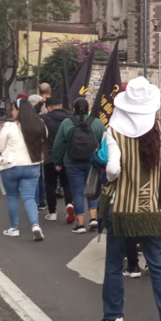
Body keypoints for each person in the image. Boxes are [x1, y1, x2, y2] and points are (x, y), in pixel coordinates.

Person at [98, 77, 161, 321]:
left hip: (121, 208)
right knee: (159, 265)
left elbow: (112, 169)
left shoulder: (112, 131)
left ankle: (113, 315)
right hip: (154, 207)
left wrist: (115, 176)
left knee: (113, 263)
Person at [0, 99, 47, 241]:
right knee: (29, 198)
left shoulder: (9, 127)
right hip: (33, 166)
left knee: (12, 197)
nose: (12, 112)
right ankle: (35, 226)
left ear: (19, 111)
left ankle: (14, 228)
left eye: (13, 109)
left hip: (11, 166)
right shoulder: (40, 125)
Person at [53, 98, 106, 234]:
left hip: (72, 162)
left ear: (73, 109)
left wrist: (58, 162)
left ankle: (80, 224)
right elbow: (104, 143)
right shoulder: (97, 123)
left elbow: (58, 145)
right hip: (92, 163)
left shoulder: (66, 123)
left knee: (77, 192)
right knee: (93, 189)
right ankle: (93, 218)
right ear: (88, 109)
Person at [41, 98, 74, 223]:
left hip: (50, 156)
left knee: (50, 185)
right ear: (60, 105)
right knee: (67, 183)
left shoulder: (44, 118)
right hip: (67, 156)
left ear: (48, 107)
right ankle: (69, 204)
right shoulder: (70, 118)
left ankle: (52, 212)